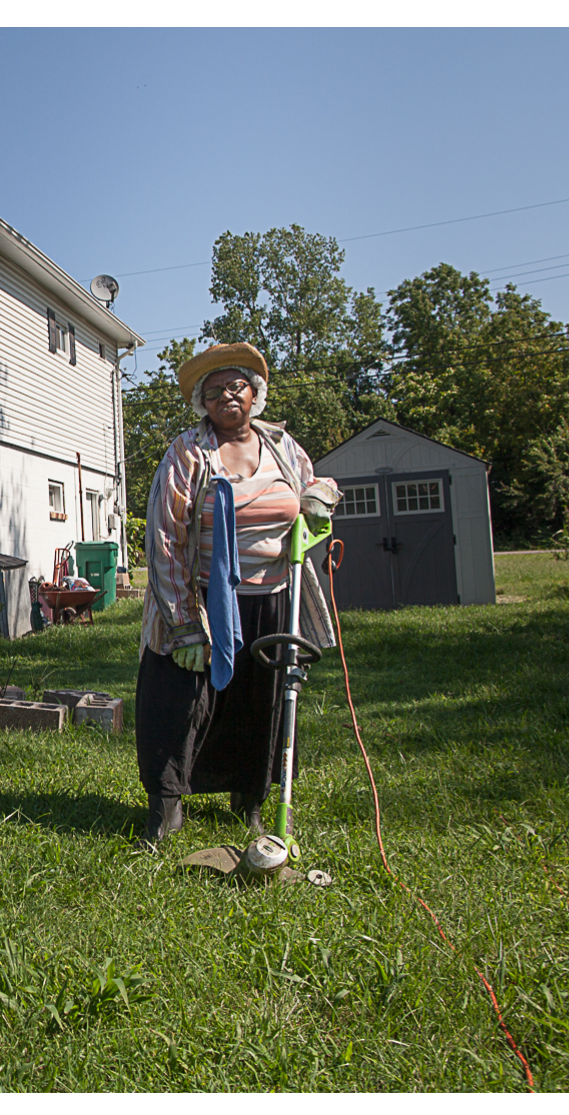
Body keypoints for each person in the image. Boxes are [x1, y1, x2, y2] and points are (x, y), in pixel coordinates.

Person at [135, 342, 340, 847]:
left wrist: (318, 498)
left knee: (260, 702)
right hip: (202, 598)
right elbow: (164, 538)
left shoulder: (283, 447)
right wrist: (184, 624)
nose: (227, 396)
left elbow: (315, 486)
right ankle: (165, 808)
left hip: (272, 596)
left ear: (255, 394)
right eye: (214, 390)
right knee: (177, 701)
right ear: (201, 402)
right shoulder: (189, 452)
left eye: (237, 386)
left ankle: (249, 800)